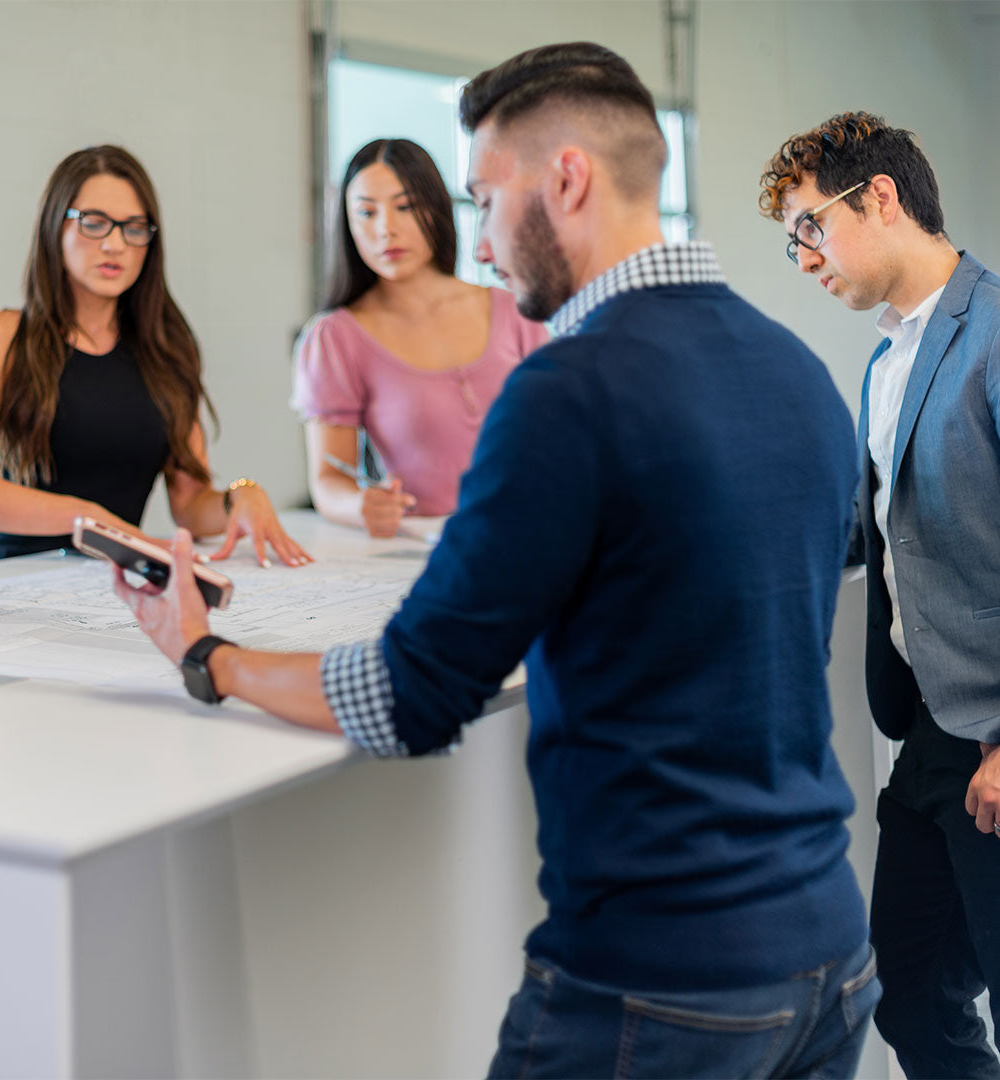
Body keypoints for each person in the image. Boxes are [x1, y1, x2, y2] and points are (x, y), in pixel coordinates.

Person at [115, 43, 878, 1078]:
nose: (477, 244)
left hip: (657, 984)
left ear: (564, 179)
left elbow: (414, 692)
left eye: (482, 199)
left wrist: (209, 656)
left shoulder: (568, 389)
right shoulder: (798, 371)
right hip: (831, 965)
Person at [761, 112, 1000, 1079]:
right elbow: (875, 525)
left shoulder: (992, 333)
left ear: (882, 197)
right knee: (906, 991)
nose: (802, 257)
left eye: (807, 227)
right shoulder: (885, 359)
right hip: (929, 734)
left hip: (993, 738)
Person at [0, 145, 309, 569]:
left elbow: (190, 504)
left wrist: (239, 496)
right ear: (56, 226)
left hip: (119, 586)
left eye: (134, 228)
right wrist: (89, 519)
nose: (115, 244)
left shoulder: (167, 349)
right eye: (94, 223)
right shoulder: (2, 335)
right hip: (18, 580)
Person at [293, 138, 546, 536]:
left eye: (405, 206)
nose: (385, 229)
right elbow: (328, 481)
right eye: (366, 212)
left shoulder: (515, 310)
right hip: (426, 553)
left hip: (539, 535)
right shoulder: (335, 338)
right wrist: (361, 506)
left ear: (436, 208)